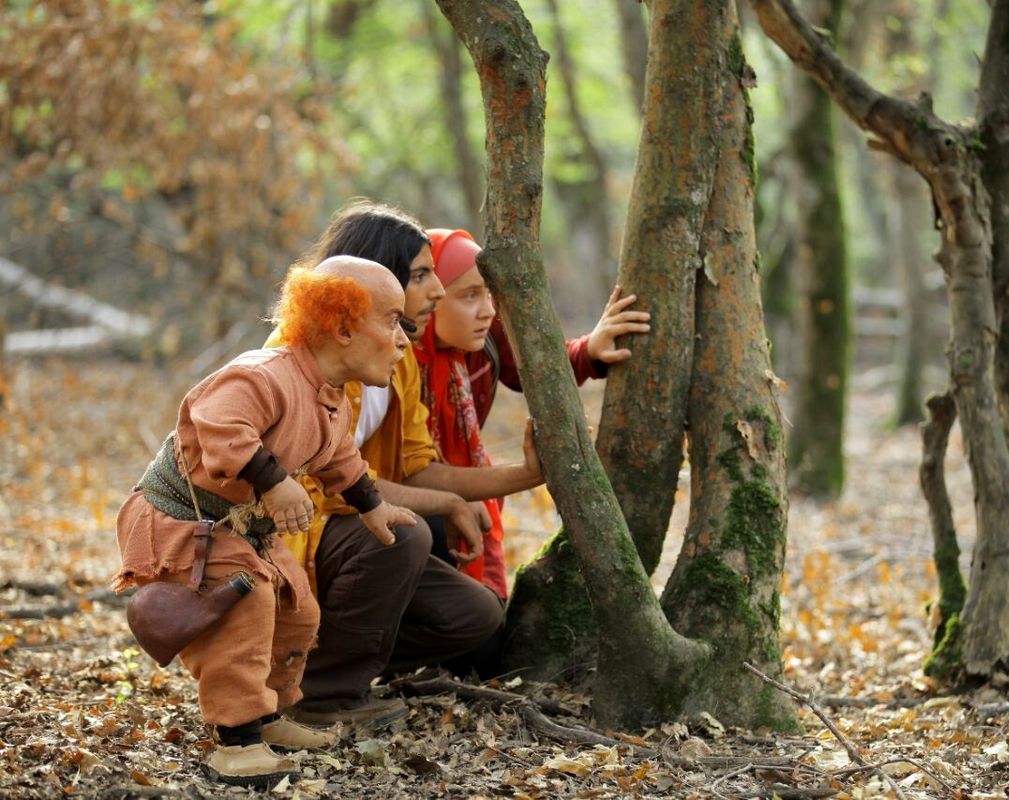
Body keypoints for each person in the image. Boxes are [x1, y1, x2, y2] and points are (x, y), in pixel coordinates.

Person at [112, 256, 419, 786]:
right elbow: (216, 421)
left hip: (241, 525)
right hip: (183, 520)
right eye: (392, 321)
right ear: (343, 326)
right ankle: (235, 741)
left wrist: (373, 505)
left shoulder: (330, 398)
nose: (404, 340)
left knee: (298, 607)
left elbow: (338, 455)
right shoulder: (265, 374)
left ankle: (269, 715)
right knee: (246, 605)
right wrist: (275, 481)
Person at [271, 201, 543, 723]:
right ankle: (317, 698)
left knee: (477, 616)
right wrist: (439, 503)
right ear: (369, 285)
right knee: (412, 531)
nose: (436, 291)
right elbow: (323, 484)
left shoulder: (397, 359)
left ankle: (325, 667)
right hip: (287, 539)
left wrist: (527, 475)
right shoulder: (297, 360)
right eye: (421, 276)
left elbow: (416, 465)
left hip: (347, 532)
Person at [417, 228, 651, 598]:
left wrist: (589, 349)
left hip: (478, 496)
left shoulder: (486, 338)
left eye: (488, 292)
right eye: (469, 295)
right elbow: (402, 471)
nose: (489, 310)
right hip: (413, 509)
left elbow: (537, 370)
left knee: (487, 623)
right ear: (427, 297)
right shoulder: (391, 363)